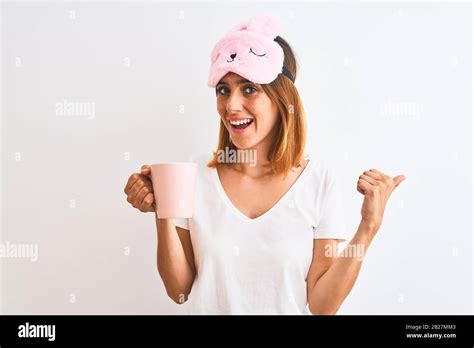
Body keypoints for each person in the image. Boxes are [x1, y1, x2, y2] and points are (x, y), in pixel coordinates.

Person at [123, 15, 406, 314]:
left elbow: (323, 305)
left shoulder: (318, 180)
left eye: (249, 89)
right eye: (223, 90)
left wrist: (368, 226)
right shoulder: (196, 174)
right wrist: (163, 208)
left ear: (282, 99)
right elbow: (179, 290)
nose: (231, 106)